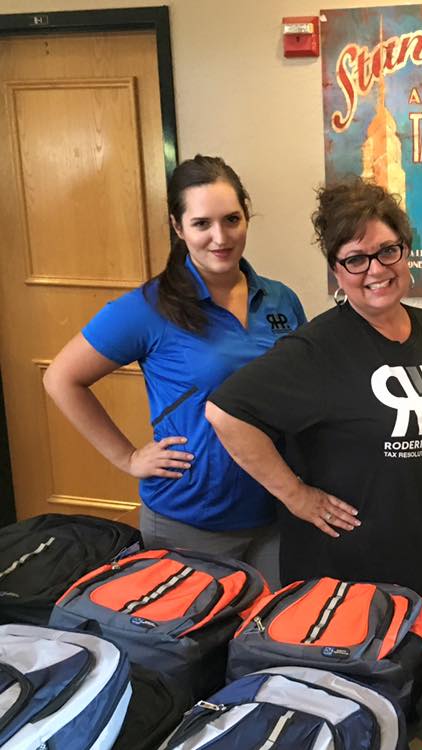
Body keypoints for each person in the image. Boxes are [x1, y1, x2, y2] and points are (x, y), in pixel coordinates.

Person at [205, 179, 422, 646]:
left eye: (387, 250)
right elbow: (226, 413)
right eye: (356, 259)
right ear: (336, 269)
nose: (375, 269)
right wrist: (295, 495)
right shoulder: (319, 347)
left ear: (406, 250)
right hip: (348, 583)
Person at [43, 155, 306, 580]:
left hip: (275, 514)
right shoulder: (148, 308)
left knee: (268, 643)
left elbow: (300, 390)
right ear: (178, 227)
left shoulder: (280, 300)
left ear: (246, 216)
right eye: (202, 223)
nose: (220, 237)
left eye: (232, 219)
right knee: (195, 647)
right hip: (189, 523)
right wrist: (127, 457)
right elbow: (61, 378)